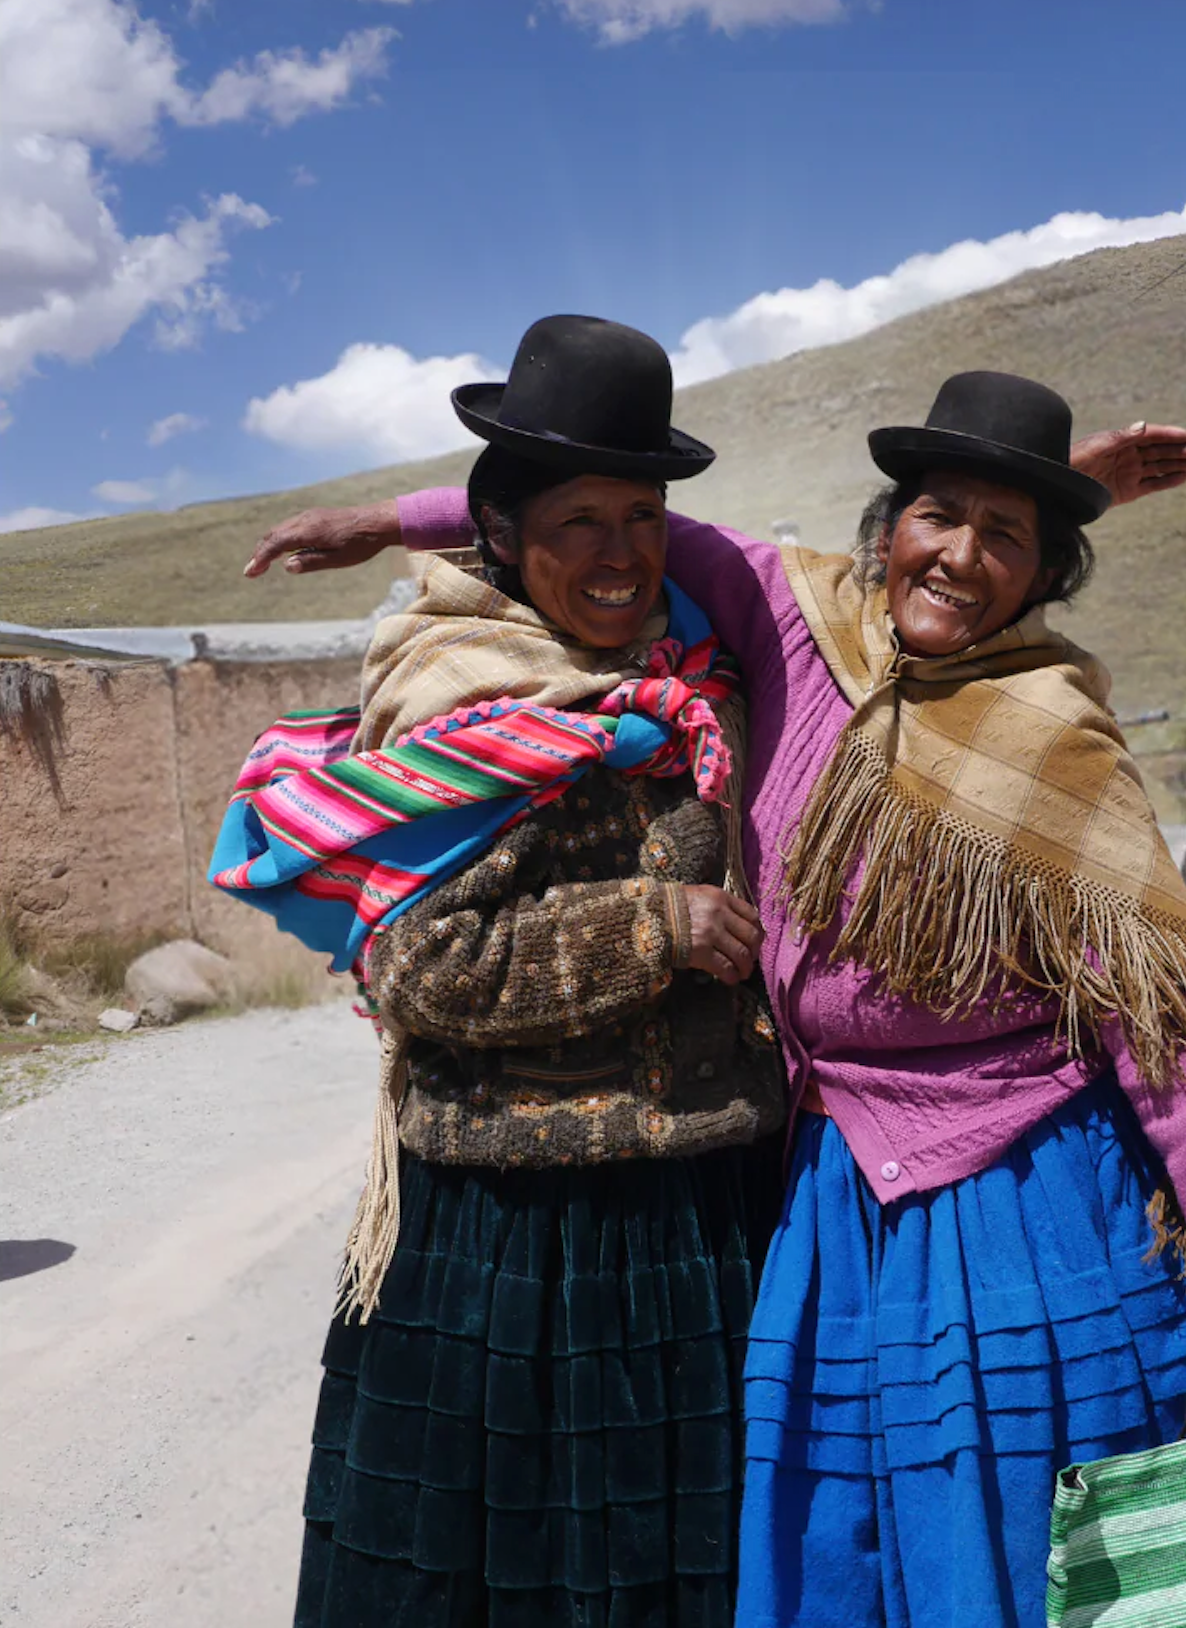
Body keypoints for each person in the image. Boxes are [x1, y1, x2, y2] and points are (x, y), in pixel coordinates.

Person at [249, 370, 1186, 1628]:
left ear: (1047, 575)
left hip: (1021, 1177)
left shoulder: (1052, 723)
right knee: (840, 1524)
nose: (958, 557)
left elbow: (1150, 993)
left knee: (1036, 1518)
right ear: (886, 527)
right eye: (936, 516)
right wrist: (377, 525)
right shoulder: (799, 623)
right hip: (830, 1176)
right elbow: (616, 506)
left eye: (1004, 536)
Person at [218, 316, 788, 1627]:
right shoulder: (455, 700)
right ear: (504, 534)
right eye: (578, 517)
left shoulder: (686, 680)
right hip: (517, 1237)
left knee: (684, 1573)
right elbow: (423, 968)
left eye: (641, 514)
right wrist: (657, 932)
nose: (617, 550)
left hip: (697, 1218)